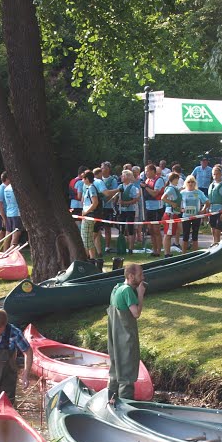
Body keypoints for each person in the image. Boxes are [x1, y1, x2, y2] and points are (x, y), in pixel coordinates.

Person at [107, 263, 146, 403]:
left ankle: (110, 401)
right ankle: (125, 407)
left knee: (115, 371)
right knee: (127, 376)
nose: (143, 278)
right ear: (131, 276)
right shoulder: (127, 291)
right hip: (126, 339)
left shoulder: (116, 288)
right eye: (140, 275)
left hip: (114, 340)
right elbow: (136, 314)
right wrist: (140, 295)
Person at [179, 175, 210, 252]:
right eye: (189, 182)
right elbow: (176, 204)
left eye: (192, 182)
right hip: (186, 216)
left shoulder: (198, 192)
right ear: (186, 183)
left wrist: (203, 210)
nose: (190, 183)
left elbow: (207, 202)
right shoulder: (182, 193)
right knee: (185, 235)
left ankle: (194, 253)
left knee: (195, 235)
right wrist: (181, 209)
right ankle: (184, 254)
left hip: (196, 216)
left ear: (195, 183)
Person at [142, 164, 165, 256]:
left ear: (152, 171)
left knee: (156, 230)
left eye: (147, 171)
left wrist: (146, 187)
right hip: (148, 207)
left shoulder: (159, 180)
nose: (146, 173)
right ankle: (154, 249)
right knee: (150, 230)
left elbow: (155, 193)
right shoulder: (147, 180)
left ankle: (159, 250)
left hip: (157, 208)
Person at [117, 168, 141, 252]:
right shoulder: (120, 186)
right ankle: (121, 247)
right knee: (121, 229)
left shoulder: (133, 187)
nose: (121, 177)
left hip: (130, 210)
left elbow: (135, 199)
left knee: (130, 229)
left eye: (123, 175)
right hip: (121, 210)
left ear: (127, 177)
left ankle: (131, 248)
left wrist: (125, 202)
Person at [80, 169, 102, 260]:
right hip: (88, 216)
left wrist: (85, 212)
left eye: (83, 178)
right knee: (87, 239)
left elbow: (95, 203)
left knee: (86, 239)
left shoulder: (91, 188)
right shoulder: (89, 188)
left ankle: (89, 259)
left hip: (90, 216)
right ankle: (90, 259)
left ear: (87, 179)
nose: (82, 181)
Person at [207, 164, 222, 245]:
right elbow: (209, 199)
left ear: (220, 174)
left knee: (218, 230)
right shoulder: (211, 185)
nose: (215, 176)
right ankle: (214, 243)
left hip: (220, 210)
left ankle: (217, 245)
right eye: (214, 174)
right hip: (212, 210)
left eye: (217, 174)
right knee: (213, 229)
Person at [161, 171, 182, 256]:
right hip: (170, 213)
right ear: (174, 179)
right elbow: (163, 198)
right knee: (168, 234)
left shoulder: (174, 188)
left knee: (170, 234)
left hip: (174, 213)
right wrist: (172, 203)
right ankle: (166, 253)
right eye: (177, 179)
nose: (178, 181)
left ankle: (168, 252)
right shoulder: (171, 189)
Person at [2, 172, 23, 249]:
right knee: (16, 235)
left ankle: (5, 252)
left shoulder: (6, 188)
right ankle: (12, 253)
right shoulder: (15, 188)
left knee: (8, 235)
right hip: (16, 213)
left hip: (9, 213)